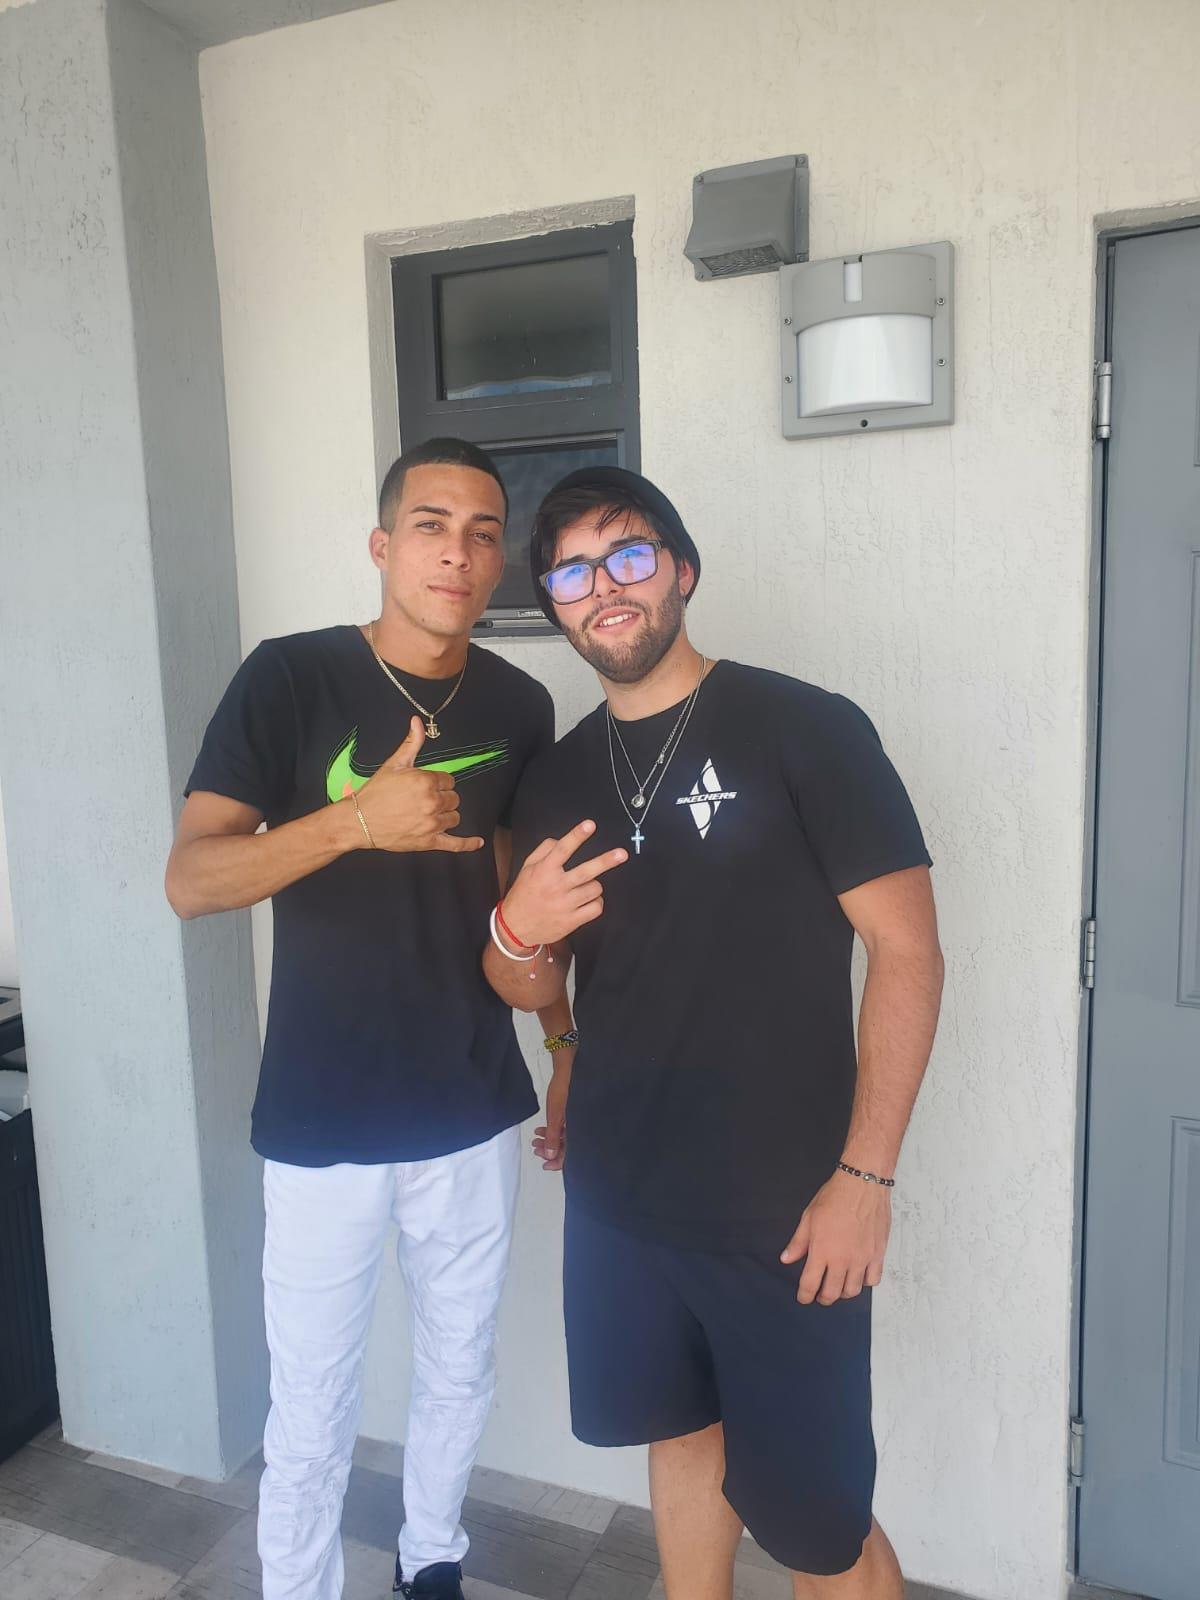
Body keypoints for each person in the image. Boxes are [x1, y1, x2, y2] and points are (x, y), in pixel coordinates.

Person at [483, 466, 944, 1600]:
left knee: (816, 1521)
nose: (607, 586)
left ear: (680, 571)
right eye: (575, 570)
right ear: (555, 604)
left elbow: (909, 953)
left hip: (787, 1213)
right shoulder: (554, 779)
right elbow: (515, 976)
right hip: (622, 1198)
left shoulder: (807, 729)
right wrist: (517, 930)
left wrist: (865, 1175)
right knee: (682, 1440)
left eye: (629, 555)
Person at [165, 437, 574, 1600]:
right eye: (434, 523)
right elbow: (192, 879)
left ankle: (432, 1557)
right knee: (314, 1398)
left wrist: (562, 1045)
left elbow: (522, 914)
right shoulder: (288, 677)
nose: (460, 550)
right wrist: (354, 822)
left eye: (485, 531)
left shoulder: (519, 702)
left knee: (460, 1366)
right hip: (319, 1109)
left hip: (468, 1103)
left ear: (500, 563)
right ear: (384, 544)